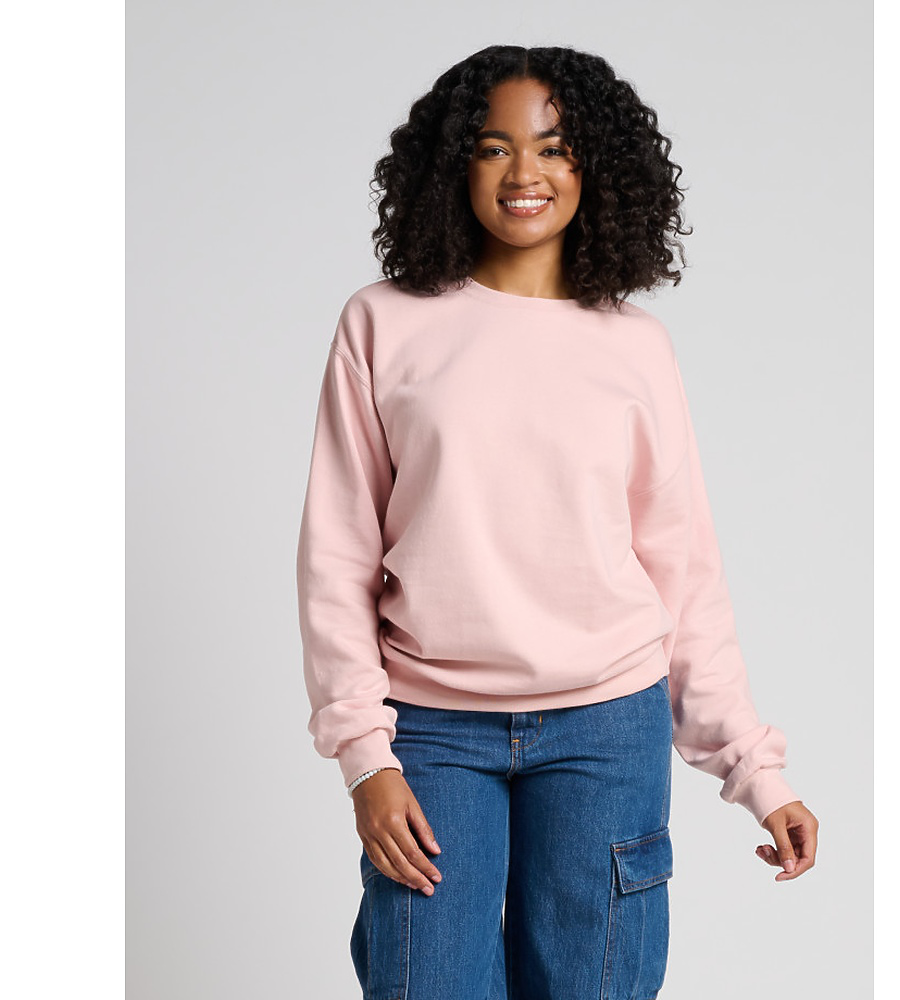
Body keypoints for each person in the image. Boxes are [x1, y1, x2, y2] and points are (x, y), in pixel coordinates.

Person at [296, 44, 819, 1000]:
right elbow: (337, 558)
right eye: (494, 147)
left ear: (595, 167)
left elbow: (683, 570)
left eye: (552, 146)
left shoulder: (636, 346)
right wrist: (366, 757)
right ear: (454, 165)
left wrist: (756, 770)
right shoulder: (382, 323)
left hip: (607, 727)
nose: (523, 173)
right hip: (430, 729)